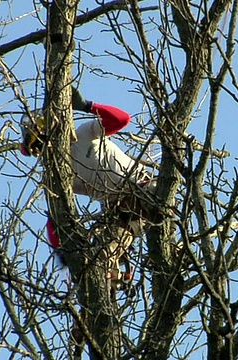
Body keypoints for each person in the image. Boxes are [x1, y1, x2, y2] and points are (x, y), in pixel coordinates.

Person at [20, 88, 154, 291]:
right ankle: (105, 297)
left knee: (156, 203)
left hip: (143, 186)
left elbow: (121, 119)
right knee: (98, 261)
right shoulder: (56, 174)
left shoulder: (84, 133)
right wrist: (61, 250)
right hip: (120, 211)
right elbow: (56, 215)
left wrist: (87, 106)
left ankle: (172, 251)